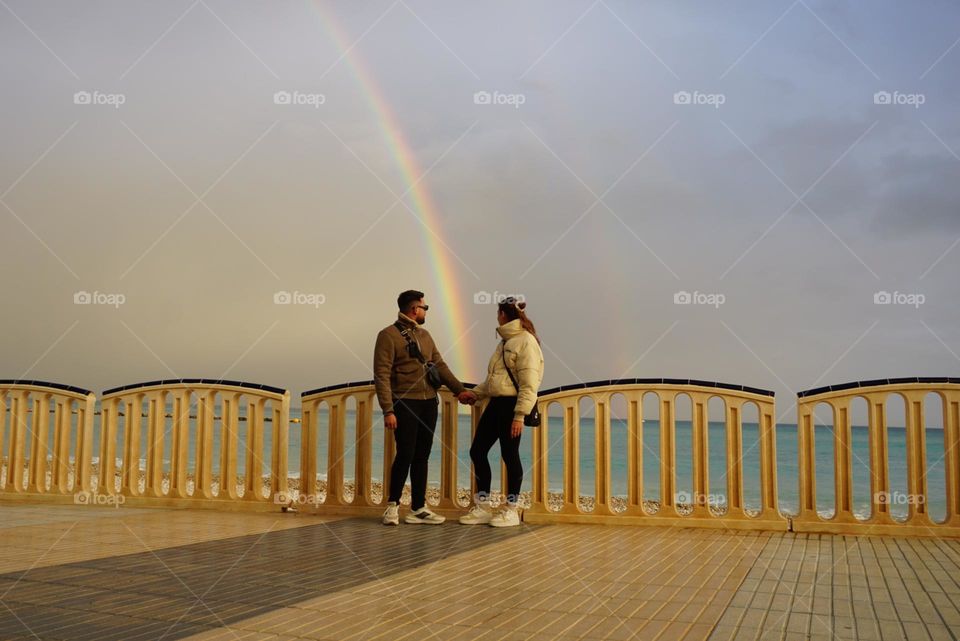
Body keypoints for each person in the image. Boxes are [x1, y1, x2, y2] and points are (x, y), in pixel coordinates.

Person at [374, 289, 474, 526]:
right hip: (404, 403)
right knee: (405, 454)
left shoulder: (426, 336)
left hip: (429, 402)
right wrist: (388, 410)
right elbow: (381, 374)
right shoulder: (387, 335)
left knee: (422, 456)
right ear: (414, 309)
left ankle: (418, 507)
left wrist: (460, 390)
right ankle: (392, 506)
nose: (426, 311)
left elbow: (440, 364)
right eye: (425, 307)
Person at [459, 297, 544, 527]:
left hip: (512, 407)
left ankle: (512, 509)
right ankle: (484, 506)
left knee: (510, 456)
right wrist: (475, 394)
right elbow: (494, 381)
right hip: (495, 405)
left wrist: (519, 416)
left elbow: (529, 384)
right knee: (477, 451)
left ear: (504, 315)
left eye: (498, 313)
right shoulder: (505, 342)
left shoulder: (526, 341)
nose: (497, 317)